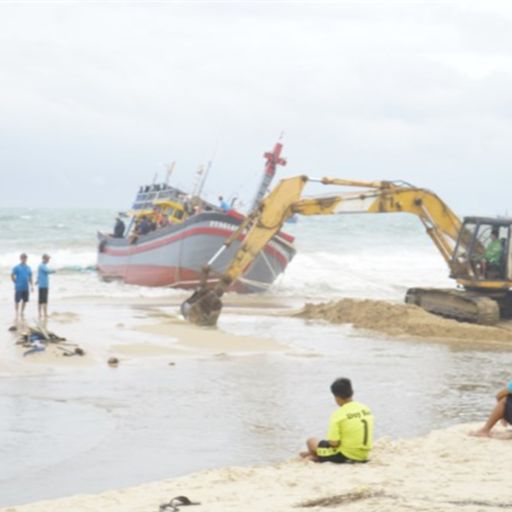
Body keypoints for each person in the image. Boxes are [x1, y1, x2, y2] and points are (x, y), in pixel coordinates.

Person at [301, 377, 374, 463]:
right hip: (364, 455)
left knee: (311, 441)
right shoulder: (366, 409)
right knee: (315, 448)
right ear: (352, 392)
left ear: (337, 397)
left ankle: (316, 457)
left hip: (345, 455)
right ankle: (314, 455)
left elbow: (334, 443)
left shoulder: (338, 414)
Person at [11, 253, 33, 319]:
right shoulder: (16, 267)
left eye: (25, 258)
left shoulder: (28, 267)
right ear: (20, 259)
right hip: (18, 287)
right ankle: (17, 312)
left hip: (26, 287)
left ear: (26, 259)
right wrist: (15, 282)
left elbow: (30, 277)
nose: (24, 259)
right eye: (23, 258)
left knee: (25, 300)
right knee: (17, 301)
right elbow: (12, 275)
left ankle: (22, 312)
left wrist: (31, 286)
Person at [36, 254, 55, 319]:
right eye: (47, 259)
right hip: (43, 286)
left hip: (44, 285)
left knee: (42, 301)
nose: (48, 260)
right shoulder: (42, 266)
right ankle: (44, 314)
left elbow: (39, 275)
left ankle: (41, 314)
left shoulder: (43, 266)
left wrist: (37, 281)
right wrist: (54, 271)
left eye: (48, 259)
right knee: (43, 301)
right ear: (44, 259)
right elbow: (48, 271)